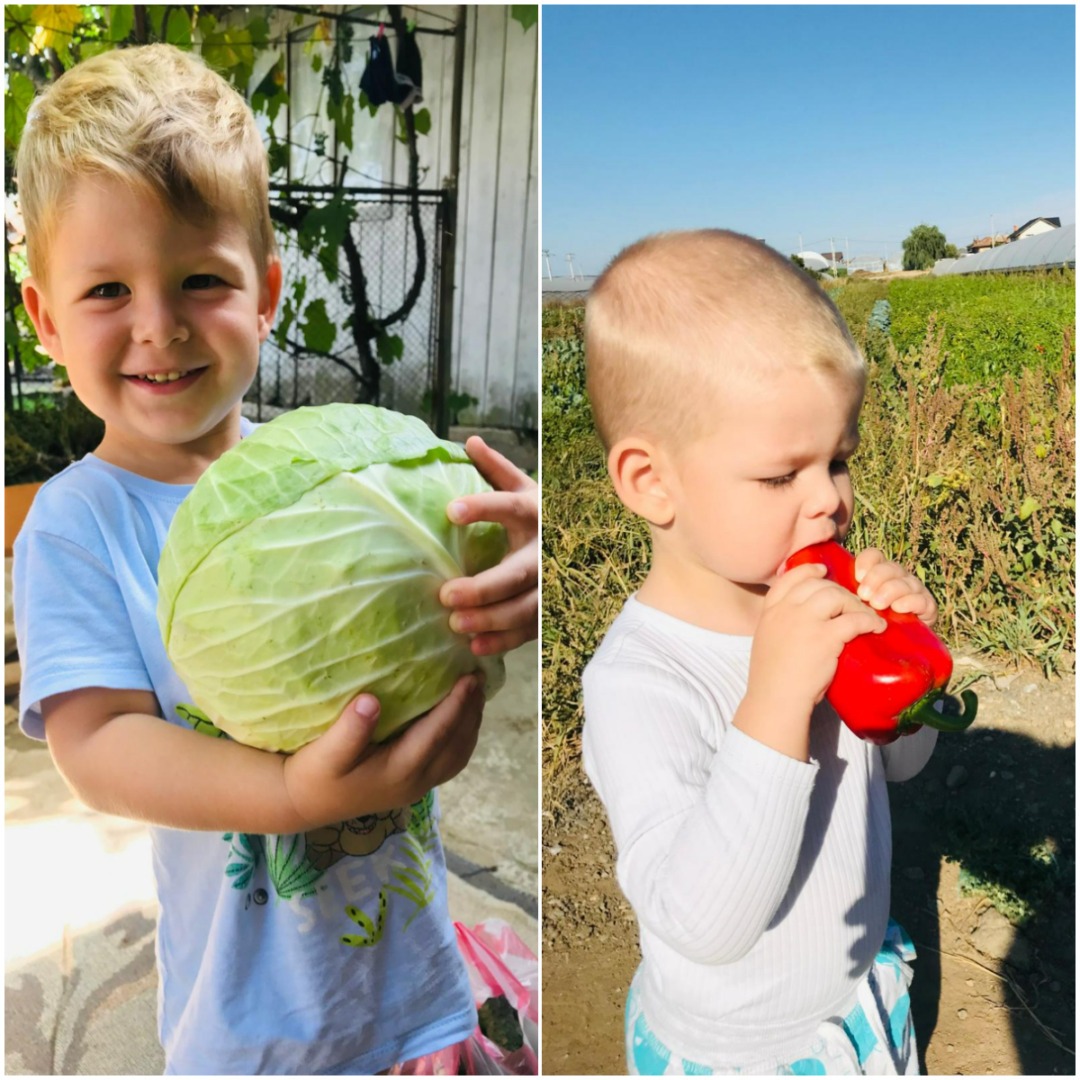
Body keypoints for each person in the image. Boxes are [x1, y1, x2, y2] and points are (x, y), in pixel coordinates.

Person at [13, 43, 537, 1075]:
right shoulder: (76, 525)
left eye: (200, 279)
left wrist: (509, 577)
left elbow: (455, 638)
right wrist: (297, 797)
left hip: (415, 984)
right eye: (107, 289)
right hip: (253, 1028)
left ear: (266, 294)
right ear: (44, 318)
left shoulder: (344, 472)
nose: (158, 326)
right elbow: (98, 746)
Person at [581, 229, 942, 1075]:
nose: (829, 500)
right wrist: (776, 699)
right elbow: (703, 921)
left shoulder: (824, 604)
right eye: (782, 477)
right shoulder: (640, 681)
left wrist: (909, 665)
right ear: (650, 483)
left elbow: (902, 768)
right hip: (741, 1051)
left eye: (839, 461)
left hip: (849, 1002)